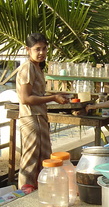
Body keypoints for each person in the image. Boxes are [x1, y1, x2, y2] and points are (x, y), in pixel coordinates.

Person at [16, 33, 69, 189]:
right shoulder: (27, 68)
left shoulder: (36, 67)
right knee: (31, 159)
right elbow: (25, 98)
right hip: (31, 117)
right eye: (37, 49)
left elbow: (36, 95)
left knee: (44, 157)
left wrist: (55, 95)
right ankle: (23, 193)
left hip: (39, 117)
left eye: (44, 49)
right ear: (28, 50)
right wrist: (52, 98)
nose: (41, 53)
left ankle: (40, 190)